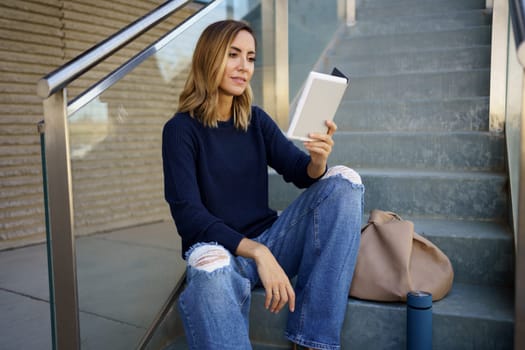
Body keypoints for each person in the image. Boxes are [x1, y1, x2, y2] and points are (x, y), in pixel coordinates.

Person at [162, 19, 364, 350]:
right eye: (233, 55)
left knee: (344, 181)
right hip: (221, 251)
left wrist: (317, 160)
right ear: (209, 58)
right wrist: (257, 251)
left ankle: (313, 341)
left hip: (274, 240)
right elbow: (189, 216)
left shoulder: (255, 120)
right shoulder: (180, 130)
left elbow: (301, 173)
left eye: (251, 57)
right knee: (207, 265)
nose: (244, 67)